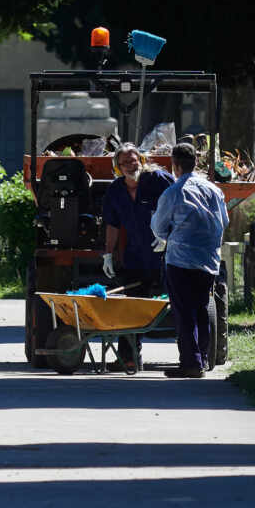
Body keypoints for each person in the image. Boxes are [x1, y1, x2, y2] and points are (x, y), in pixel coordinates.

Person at [150, 141, 229, 378]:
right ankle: (202, 358)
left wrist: (172, 237)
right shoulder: (214, 190)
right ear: (196, 162)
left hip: (180, 260)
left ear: (174, 165)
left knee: (184, 311)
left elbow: (159, 228)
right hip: (208, 259)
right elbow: (223, 221)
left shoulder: (173, 192)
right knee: (202, 308)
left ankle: (190, 362)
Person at [100, 144, 173, 369]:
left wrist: (169, 237)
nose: (132, 165)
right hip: (136, 257)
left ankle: (193, 356)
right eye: (126, 163)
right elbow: (112, 224)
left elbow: (181, 205)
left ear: (141, 160)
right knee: (131, 307)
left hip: (166, 257)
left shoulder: (159, 180)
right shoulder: (116, 191)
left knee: (180, 303)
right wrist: (108, 255)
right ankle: (128, 358)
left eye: (135, 160)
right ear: (117, 168)